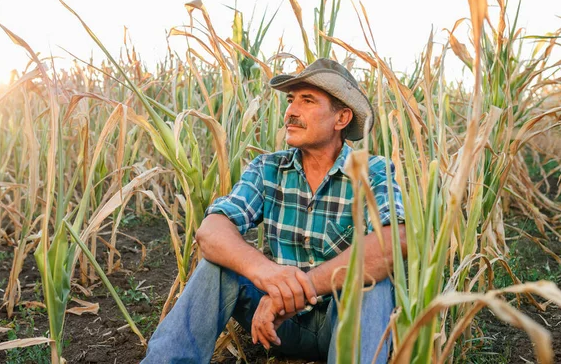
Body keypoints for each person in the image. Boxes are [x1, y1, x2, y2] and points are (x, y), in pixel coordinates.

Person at [142, 58, 406, 363]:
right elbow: (211, 231)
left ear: (342, 118)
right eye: (291, 100)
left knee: (370, 281)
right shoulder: (269, 168)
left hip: (345, 324)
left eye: (307, 101)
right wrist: (267, 274)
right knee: (217, 264)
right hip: (279, 325)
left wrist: (301, 288)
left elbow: (394, 240)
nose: (291, 111)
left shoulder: (371, 171)